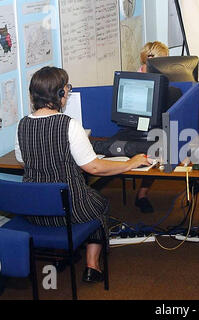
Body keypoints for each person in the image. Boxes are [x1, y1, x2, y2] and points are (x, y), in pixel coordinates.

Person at [15, 66, 151, 283]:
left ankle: (63, 254)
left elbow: (23, 162)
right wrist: (130, 164)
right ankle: (92, 266)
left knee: (78, 198)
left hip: (35, 210)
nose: (68, 92)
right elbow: (94, 168)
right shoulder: (68, 125)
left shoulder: (22, 125)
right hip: (70, 208)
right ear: (60, 94)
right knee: (100, 204)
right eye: (66, 88)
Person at [134, 41, 169, 213]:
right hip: (140, 126)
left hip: (159, 122)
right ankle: (142, 194)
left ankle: (192, 180)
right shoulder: (136, 79)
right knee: (158, 147)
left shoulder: (167, 77)